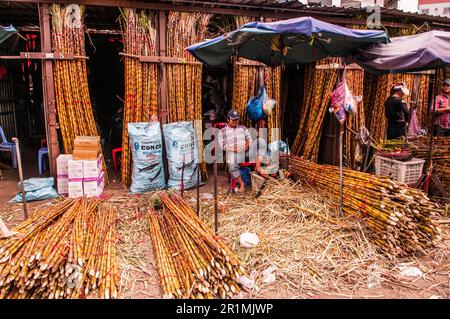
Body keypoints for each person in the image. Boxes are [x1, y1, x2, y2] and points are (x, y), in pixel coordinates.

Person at [218, 109, 253, 192]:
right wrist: (235, 149)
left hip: (246, 152)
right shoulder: (222, 131)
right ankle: (242, 184)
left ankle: (260, 169)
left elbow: (250, 139)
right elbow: (222, 146)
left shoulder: (243, 128)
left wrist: (247, 145)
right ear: (228, 119)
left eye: (236, 119)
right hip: (234, 154)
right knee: (231, 162)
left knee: (260, 143)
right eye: (233, 119)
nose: (235, 121)